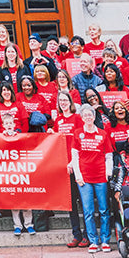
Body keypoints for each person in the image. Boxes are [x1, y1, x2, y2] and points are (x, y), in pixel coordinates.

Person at [71, 104, 114, 252]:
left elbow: (109, 155)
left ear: (94, 117)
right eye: (85, 115)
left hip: (100, 176)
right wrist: (78, 176)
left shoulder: (102, 133)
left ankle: (105, 240)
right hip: (84, 178)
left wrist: (108, 172)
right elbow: (75, 157)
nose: (88, 117)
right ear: (82, 118)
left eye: (91, 115)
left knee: (104, 210)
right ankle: (93, 241)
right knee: (88, 211)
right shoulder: (77, 133)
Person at [50, 90, 87, 247]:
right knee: (71, 203)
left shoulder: (77, 118)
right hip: (65, 167)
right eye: (61, 100)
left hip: (78, 165)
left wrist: (73, 161)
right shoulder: (58, 120)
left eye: (65, 100)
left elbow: (79, 141)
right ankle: (76, 234)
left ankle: (87, 234)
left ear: (71, 102)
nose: (63, 102)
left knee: (84, 202)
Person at [0, 112, 35, 236]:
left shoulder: (20, 136)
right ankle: (17, 226)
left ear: (14, 124)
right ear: (3, 125)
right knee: (14, 201)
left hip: (21, 170)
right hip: (10, 171)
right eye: (6, 123)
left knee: (26, 200)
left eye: (10, 123)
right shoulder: (0, 137)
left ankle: (29, 224)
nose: (9, 125)